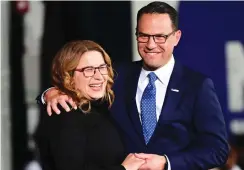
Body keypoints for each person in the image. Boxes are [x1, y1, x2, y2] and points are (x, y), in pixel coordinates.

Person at [36, 1, 229, 170]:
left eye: (160, 37)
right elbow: (81, 93)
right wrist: (50, 93)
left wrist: (166, 162)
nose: (151, 45)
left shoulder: (197, 86)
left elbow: (218, 150)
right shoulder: (116, 76)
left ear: (176, 37)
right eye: (144, 36)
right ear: (136, 34)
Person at [36, 40, 146, 170]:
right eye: (88, 70)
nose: (99, 76)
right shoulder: (66, 114)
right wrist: (125, 168)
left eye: (102, 67)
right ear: (69, 76)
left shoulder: (101, 106)